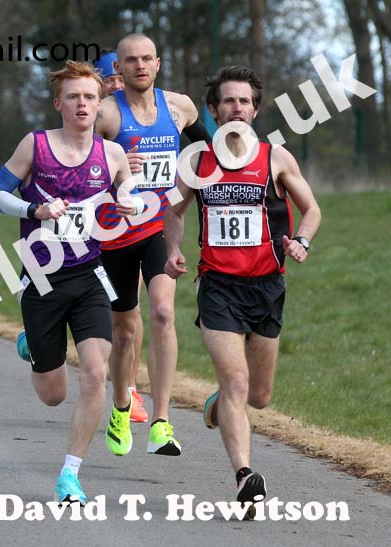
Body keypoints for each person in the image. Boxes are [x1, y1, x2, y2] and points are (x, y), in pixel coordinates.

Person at [163, 65, 321, 514]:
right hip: (218, 286)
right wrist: (172, 250)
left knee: (258, 397)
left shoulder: (275, 158)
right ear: (213, 111)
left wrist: (302, 241)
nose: (237, 108)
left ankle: (218, 405)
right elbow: (173, 212)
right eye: (228, 101)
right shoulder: (197, 162)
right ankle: (245, 477)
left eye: (244, 101)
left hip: (267, 287)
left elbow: (311, 210)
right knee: (235, 381)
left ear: (254, 110)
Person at [0, 60, 141, 504]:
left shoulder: (111, 153)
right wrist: (32, 210)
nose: (82, 104)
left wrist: (128, 201)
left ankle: (69, 475)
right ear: (59, 103)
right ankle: (33, 346)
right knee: (53, 395)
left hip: (89, 274)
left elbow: (127, 188)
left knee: (95, 372)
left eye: (90, 97)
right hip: (41, 277)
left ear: (100, 104)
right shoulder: (35, 146)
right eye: (73, 96)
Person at [94, 34, 211, 455]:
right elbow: (80, 171)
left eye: (147, 59)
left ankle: (161, 422)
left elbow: (208, 151)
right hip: (114, 235)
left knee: (162, 313)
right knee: (124, 332)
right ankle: (121, 406)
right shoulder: (105, 113)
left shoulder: (180, 107)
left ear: (158, 64)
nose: (139, 66)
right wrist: (114, 167)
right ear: (118, 68)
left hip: (158, 229)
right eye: (131, 60)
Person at [95, 48, 150, 424]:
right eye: (109, 81)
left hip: (133, 224)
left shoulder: (142, 117)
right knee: (83, 299)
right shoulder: (90, 119)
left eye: (119, 80)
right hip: (90, 228)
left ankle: (129, 388)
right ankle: (40, 332)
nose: (116, 86)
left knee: (131, 312)